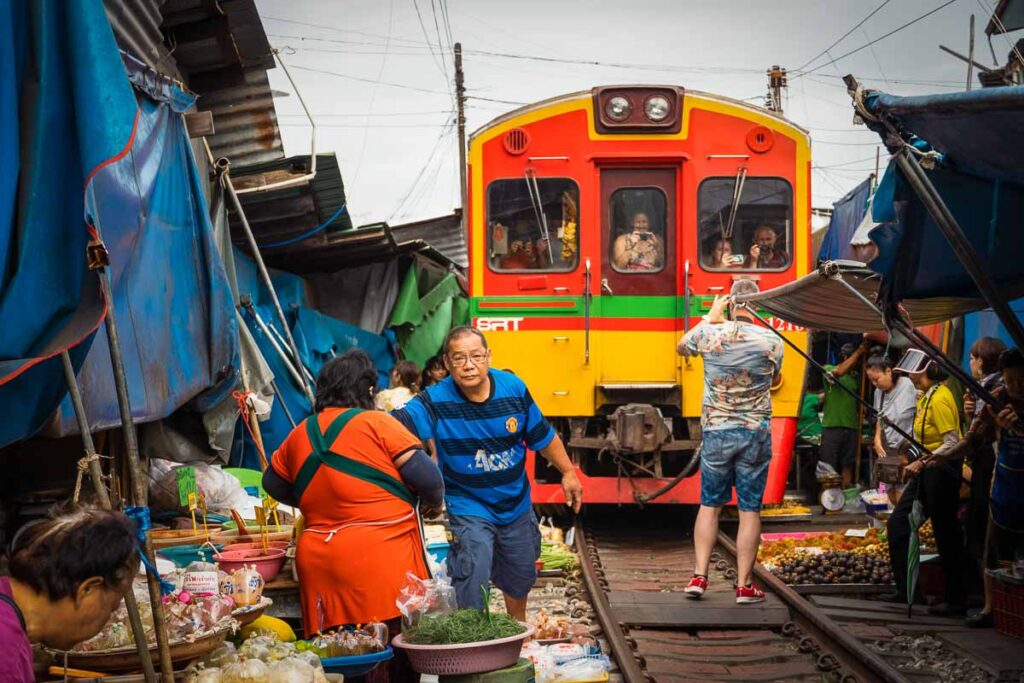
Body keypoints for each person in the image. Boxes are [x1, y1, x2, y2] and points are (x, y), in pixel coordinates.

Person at [391, 326, 583, 620]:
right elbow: (393, 427)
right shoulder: (434, 400)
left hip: (515, 502)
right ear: (446, 362)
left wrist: (568, 472)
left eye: (476, 356)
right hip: (468, 501)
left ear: (488, 357)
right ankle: (475, 636)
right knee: (473, 561)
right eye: (459, 358)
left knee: (520, 574)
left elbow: (543, 436)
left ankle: (516, 630)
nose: (469, 365)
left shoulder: (513, 389)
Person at [263, 350, 444, 645]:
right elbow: (430, 479)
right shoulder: (377, 423)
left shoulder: (300, 432)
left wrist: (318, 501)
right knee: (385, 655)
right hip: (379, 557)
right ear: (368, 389)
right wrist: (433, 505)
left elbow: (272, 482)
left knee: (338, 656)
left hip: (320, 564)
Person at [676, 280, 784, 605]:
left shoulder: (710, 334)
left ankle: (699, 577)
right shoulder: (772, 340)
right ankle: (743, 586)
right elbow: (776, 377)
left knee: (710, 505)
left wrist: (711, 316)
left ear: (731, 302)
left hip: (717, 431)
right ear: (756, 304)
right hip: (754, 432)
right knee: (750, 509)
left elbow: (682, 346)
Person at [934, 346, 1022, 627]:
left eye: (1022, 381)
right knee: (994, 549)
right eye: (1010, 381)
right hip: (1005, 484)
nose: (1016, 387)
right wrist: (943, 455)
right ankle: (989, 609)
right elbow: (973, 438)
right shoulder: (996, 399)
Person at [2, 508, 139, 682]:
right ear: (88, 590)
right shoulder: (6, 648)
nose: (107, 618)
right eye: (112, 606)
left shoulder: (10, 619)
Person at [884, 350, 966, 615]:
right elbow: (924, 439)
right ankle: (907, 590)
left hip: (943, 471)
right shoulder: (926, 397)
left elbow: (951, 442)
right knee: (898, 523)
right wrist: (915, 458)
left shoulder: (941, 398)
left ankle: (955, 600)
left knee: (946, 532)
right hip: (927, 469)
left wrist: (923, 461)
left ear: (930, 372)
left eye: (917, 373)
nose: (912, 378)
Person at [820, 341, 869, 488]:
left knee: (848, 464)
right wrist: (859, 352)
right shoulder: (829, 369)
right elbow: (840, 371)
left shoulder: (857, 377)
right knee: (828, 465)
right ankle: (829, 499)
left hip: (851, 426)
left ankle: (846, 494)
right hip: (832, 425)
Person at [867, 354, 918, 458]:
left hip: (907, 450)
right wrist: (877, 438)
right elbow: (880, 418)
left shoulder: (908, 385)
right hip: (888, 449)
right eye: (871, 381)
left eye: (876, 379)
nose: (874, 384)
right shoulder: (878, 392)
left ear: (888, 371)